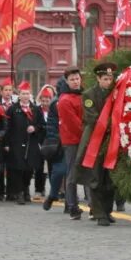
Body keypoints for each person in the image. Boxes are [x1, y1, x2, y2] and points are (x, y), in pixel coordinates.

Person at [74, 62, 122, 226]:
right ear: (98, 79)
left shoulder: (116, 94)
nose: (109, 81)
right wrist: (112, 124)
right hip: (94, 141)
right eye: (106, 79)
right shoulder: (89, 94)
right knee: (95, 178)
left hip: (111, 140)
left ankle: (107, 211)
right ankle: (99, 213)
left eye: (111, 78)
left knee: (110, 179)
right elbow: (91, 117)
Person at [44, 68, 84, 219]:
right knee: (66, 173)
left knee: (83, 172)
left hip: (79, 138)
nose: (76, 81)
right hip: (68, 141)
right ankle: (68, 203)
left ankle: (85, 205)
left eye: (77, 78)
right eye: (72, 79)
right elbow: (71, 124)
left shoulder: (82, 95)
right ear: (66, 82)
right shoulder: (63, 100)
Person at [1, 84, 45, 204]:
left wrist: (35, 128)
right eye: (23, 94)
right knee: (18, 169)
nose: (25, 96)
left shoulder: (36, 109)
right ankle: (19, 192)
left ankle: (26, 188)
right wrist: (6, 143)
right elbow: (7, 127)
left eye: (27, 94)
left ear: (30, 95)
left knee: (29, 169)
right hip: (16, 142)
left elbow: (42, 125)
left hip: (32, 143)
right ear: (19, 95)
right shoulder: (13, 109)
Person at [33, 85, 55, 198]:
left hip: (51, 142)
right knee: (39, 167)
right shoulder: (37, 110)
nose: (45, 101)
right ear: (40, 100)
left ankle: (53, 190)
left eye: (48, 99)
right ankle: (39, 189)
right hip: (40, 141)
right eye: (43, 99)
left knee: (51, 167)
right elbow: (35, 124)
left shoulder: (54, 110)